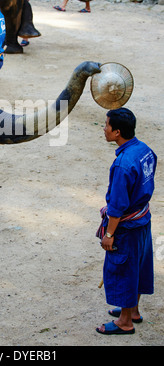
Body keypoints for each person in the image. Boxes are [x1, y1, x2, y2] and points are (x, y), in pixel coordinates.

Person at [96, 108, 157, 335]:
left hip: (127, 226)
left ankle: (124, 322)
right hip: (143, 220)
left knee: (122, 269)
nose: (104, 129)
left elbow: (118, 206)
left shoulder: (123, 165)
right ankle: (133, 311)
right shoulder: (144, 150)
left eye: (106, 125)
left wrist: (109, 235)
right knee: (138, 266)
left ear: (117, 132)